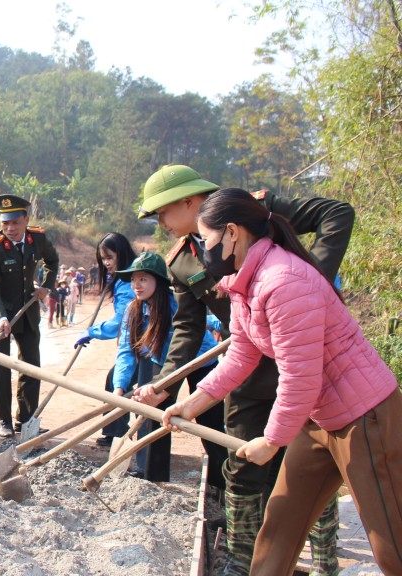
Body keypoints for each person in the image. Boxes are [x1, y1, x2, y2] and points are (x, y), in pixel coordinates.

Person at [160, 188, 401, 575]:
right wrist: (193, 403)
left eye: (206, 240)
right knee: (280, 528)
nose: (203, 250)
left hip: (364, 416)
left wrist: (271, 441)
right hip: (319, 418)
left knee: (390, 541)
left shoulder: (285, 280)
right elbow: (240, 355)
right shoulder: (244, 281)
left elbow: (299, 376)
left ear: (233, 233)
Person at [134, 165, 353, 576]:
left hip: (303, 355)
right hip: (248, 370)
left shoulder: (257, 210)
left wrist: (310, 285)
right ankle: (241, 560)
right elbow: (186, 328)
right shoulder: (181, 262)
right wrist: (165, 384)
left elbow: (336, 214)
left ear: (188, 200)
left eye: (161, 212)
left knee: (309, 463)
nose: (159, 223)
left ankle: (325, 561)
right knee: (242, 464)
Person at [112, 252, 226, 487]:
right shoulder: (132, 310)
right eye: (134, 279)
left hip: (199, 361)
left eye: (143, 279)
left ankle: (221, 481)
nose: (137, 285)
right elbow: (125, 349)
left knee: (209, 421)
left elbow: (189, 339)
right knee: (152, 412)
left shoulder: (177, 304)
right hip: (163, 364)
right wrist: (119, 386)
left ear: (159, 281)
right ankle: (153, 477)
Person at [0, 194, 59, 438]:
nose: (10, 229)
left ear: (25, 219)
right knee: (1, 368)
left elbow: (52, 261)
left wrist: (46, 286)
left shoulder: (38, 238)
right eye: (5, 223)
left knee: (31, 366)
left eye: (15, 222)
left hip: (27, 311)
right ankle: (3, 420)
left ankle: (26, 419)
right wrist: (1, 318)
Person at [74, 232, 137, 447]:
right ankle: (115, 431)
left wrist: (92, 332)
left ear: (122, 255)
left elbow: (121, 321)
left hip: (151, 346)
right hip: (140, 343)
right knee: (115, 379)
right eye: (103, 259)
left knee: (124, 382)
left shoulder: (130, 282)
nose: (106, 263)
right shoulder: (122, 280)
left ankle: (121, 435)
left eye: (110, 257)